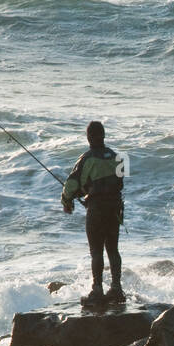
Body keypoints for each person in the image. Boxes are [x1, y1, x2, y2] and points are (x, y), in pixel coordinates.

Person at [61, 121, 126, 306]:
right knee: (113, 249)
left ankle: (97, 290)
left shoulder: (86, 158)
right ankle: (116, 288)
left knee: (96, 251)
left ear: (88, 137)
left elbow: (72, 185)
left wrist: (67, 201)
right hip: (115, 209)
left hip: (96, 210)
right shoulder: (118, 157)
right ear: (104, 136)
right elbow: (119, 184)